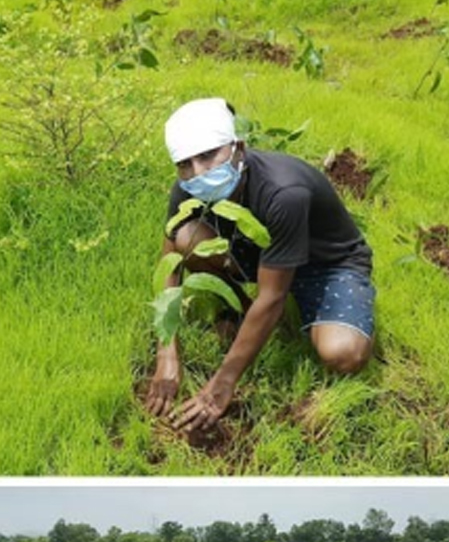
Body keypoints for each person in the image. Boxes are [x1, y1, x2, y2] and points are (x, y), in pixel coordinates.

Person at [145, 98, 375, 434]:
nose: (198, 172)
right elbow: (170, 262)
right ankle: (241, 310)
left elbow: (273, 296)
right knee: (186, 238)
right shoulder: (187, 188)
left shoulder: (284, 192)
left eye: (209, 155)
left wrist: (221, 385)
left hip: (326, 264)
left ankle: (267, 317)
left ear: (238, 147)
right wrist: (167, 353)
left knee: (343, 353)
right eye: (185, 164)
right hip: (266, 255)